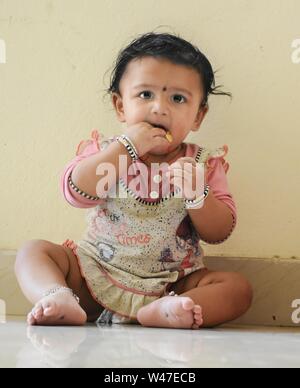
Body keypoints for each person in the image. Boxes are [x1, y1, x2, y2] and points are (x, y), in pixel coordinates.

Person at [15, 32, 253, 329]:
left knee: (238, 288)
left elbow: (219, 231)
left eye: (177, 98)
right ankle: (58, 297)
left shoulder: (202, 164)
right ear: (120, 106)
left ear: (198, 117)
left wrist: (198, 194)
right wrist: (125, 149)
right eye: (145, 95)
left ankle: (168, 311)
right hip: (95, 275)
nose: (159, 108)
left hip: (173, 282)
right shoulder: (107, 151)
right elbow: (76, 192)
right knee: (33, 252)